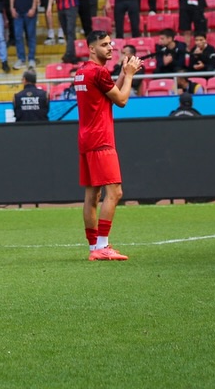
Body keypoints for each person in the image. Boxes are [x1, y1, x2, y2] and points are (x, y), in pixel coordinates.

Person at [75, 31, 140, 261]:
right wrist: (130, 75)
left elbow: (110, 93)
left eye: (110, 43)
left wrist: (123, 73)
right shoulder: (99, 72)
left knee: (92, 195)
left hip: (86, 138)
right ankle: (102, 246)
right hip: (101, 140)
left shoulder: (82, 72)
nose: (110, 48)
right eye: (104, 45)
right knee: (115, 192)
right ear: (91, 49)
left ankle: (94, 247)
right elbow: (121, 100)